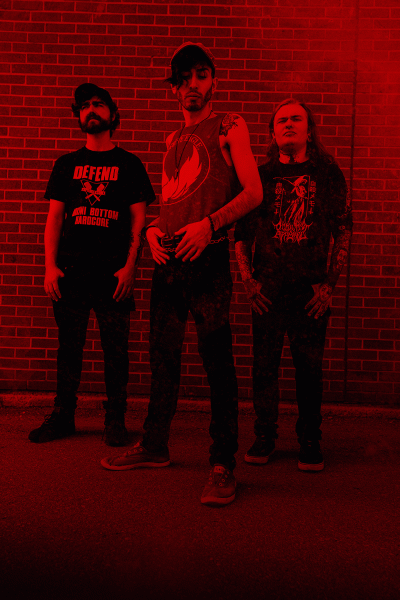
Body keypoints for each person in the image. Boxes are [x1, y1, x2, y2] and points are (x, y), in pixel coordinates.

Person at [101, 43, 263, 506]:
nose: (193, 84)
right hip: (168, 261)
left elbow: (254, 192)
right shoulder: (172, 139)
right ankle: (155, 445)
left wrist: (210, 225)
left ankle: (223, 463)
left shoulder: (229, 125)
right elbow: (174, 202)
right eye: (184, 77)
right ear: (173, 87)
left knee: (218, 363)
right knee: (162, 359)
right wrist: (154, 231)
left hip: (207, 259)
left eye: (201, 75)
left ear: (213, 81)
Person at [29, 83, 155, 446]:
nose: (91, 110)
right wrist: (50, 266)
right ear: (78, 115)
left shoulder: (129, 164)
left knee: (116, 351)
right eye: (84, 106)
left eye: (99, 104)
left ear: (113, 114)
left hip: (113, 273)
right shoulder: (66, 165)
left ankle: (115, 418)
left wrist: (130, 267)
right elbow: (54, 219)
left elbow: (139, 220)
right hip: (70, 272)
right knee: (69, 349)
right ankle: (63, 415)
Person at [235, 98, 353, 471]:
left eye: (296, 119)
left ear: (309, 130)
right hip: (267, 289)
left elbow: (343, 229)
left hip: (311, 291)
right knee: (264, 367)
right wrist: (248, 281)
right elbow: (242, 235)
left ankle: (310, 439)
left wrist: (329, 285)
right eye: (281, 120)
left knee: (309, 369)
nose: (288, 124)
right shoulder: (260, 175)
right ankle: (264, 436)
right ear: (273, 132)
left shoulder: (328, 172)